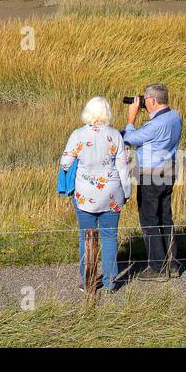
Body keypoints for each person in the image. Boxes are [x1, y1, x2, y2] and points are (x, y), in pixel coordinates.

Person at [59, 96, 131, 295]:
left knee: (86, 237)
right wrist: (127, 192)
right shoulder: (115, 135)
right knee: (110, 236)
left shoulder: (78, 135)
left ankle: (88, 282)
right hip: (112, 193)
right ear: (106, 112)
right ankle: (109, 283)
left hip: (85, 195)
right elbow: (123, 167)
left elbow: (65, 163)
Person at [124, 83, 183, 280]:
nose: (144, 103)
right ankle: (173, 264)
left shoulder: (154, 125)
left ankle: (158, 269)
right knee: (165, 218)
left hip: (151, 176)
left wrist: (131, 117)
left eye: (146, 100)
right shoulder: (175, 116)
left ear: (153, 101)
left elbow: (130, 138)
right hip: (168, 172)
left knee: (149, 220)